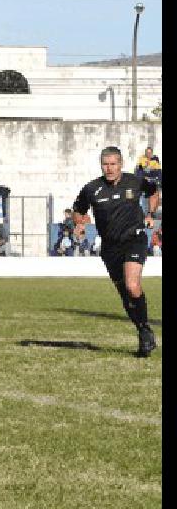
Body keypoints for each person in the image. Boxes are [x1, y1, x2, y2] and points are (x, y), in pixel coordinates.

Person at [72, 146, 160, 357]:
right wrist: (80, 223)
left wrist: (150, 213)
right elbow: (78, 209)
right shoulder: (92, 189)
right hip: (110, 248)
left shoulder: (135, 181)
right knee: (125, 296)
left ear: (120, 164)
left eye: (113, 164)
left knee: (132, 285)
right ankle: (143, 331)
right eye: (106, 164)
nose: (109, 168)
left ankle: (145, 329)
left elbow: (154, 192)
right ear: (101, 165)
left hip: (134, 239)